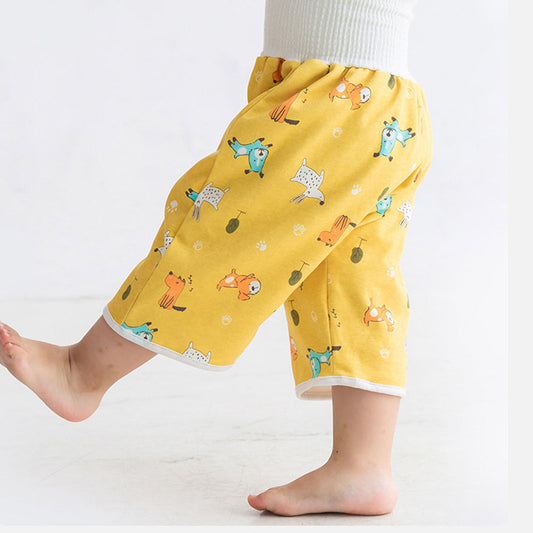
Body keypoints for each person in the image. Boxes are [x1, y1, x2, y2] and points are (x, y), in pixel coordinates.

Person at [0, 0, 432, 517]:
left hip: (339, 96)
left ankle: (82, 372)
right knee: (354, 279)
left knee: (216, 229)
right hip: (387, 104)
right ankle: (363, 467)